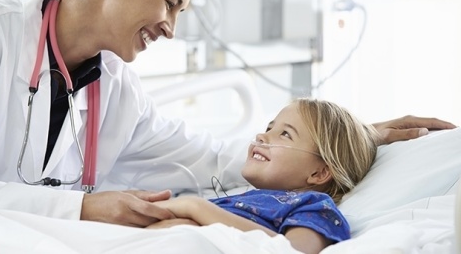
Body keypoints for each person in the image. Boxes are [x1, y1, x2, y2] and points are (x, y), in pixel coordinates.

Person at [0, 0, 456, 232]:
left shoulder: (115, 89)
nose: (170, 27)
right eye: (168, 3)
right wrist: (86, 209)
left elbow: (207, 159)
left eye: (180, 12)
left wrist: (350, 138)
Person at [147, 98, 380, 254]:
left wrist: (195, 208)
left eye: (285, 134)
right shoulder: (240, 200)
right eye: (269, 128)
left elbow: (292, 251)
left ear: (319, 172)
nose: (261, 136)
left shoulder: (312, 207)